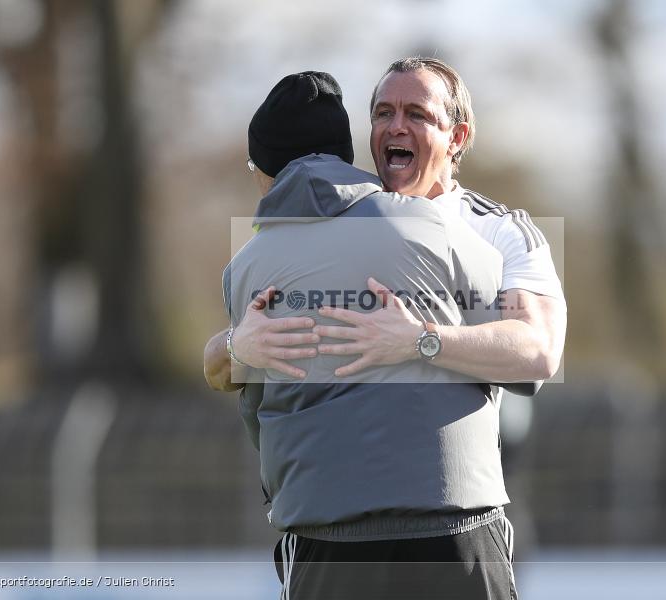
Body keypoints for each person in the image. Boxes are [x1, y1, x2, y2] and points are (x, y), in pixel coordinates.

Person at [219, 70, 518, 599]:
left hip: (324, 537)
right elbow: (508, 332)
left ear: (266, 169)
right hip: (455, 530)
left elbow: (253, 406)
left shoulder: (246, 269)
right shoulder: (434, 228)